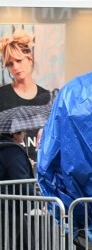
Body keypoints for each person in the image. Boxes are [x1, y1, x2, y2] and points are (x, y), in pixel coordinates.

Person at [0, 30, 51, 160]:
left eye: (19, 60)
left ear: (29, 59)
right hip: (10, 171)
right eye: (10, 64)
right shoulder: (3, 95)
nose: (15, 67)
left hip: (39, 167)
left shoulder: (45, 96)